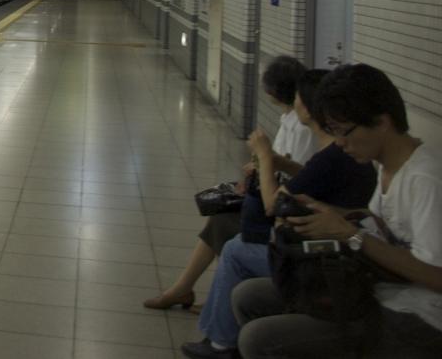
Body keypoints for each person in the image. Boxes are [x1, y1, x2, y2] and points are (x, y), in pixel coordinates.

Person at [232, 63, 442, 359]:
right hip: (373, 289)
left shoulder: (426, 180)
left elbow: (436, 276)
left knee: (259, 339)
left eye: (344, 132)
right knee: (249, 296)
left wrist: (351, 234)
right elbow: (387, 225)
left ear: (382, 122)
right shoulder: (385, 164)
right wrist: (330, 213)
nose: (340, 143)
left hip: (415, 317)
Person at [179, 69, 377, 358]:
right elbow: (308, 177)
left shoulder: (332, 156)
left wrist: (264, 156)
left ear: (308, 107)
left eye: (298, 97)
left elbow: (274, 205)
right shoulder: (333, 154)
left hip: (319, 258)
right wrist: (279, 163)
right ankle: (205, 311)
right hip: (327, 249)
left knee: (235, 250)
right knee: (225, 228)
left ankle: (221, 342)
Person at [145, 56, 316, 310]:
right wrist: (260, 165)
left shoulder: (303, 129)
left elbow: (291, 179)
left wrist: (265, 164)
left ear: (274, 91)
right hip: (274, 200)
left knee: (223, 224)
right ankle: (187, 290)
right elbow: (280, 163)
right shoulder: (290, 120)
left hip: (283, 214)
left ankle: (197, 295)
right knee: (220, 219)